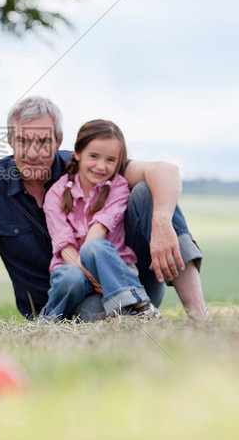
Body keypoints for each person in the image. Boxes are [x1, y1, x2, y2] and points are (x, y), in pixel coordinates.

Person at [0, 96, 207, 326]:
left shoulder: (88, 165)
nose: (33, 153)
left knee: (150, 190)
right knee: (91, 309)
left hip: (126, 280)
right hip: (66, 298)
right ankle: (119, 317)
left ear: (59, 141)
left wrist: (161, 222)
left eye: (43, 142)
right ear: (10, 140)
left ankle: (199, 317)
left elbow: (166, 171)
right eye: (23, 141)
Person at [40, 119, 159, 320]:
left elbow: (98, 230)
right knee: (71, 278)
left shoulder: (118, 187)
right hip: (75, 270)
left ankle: (141, 308)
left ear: (119, 161)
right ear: (77, 153)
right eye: (93, 156)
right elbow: (64, 245)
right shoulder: (56, 194)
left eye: (110, 160)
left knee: (94, 246)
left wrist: (97, 274)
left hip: (113, 273)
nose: (101, 166)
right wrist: (86, 273)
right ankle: (47, 322)